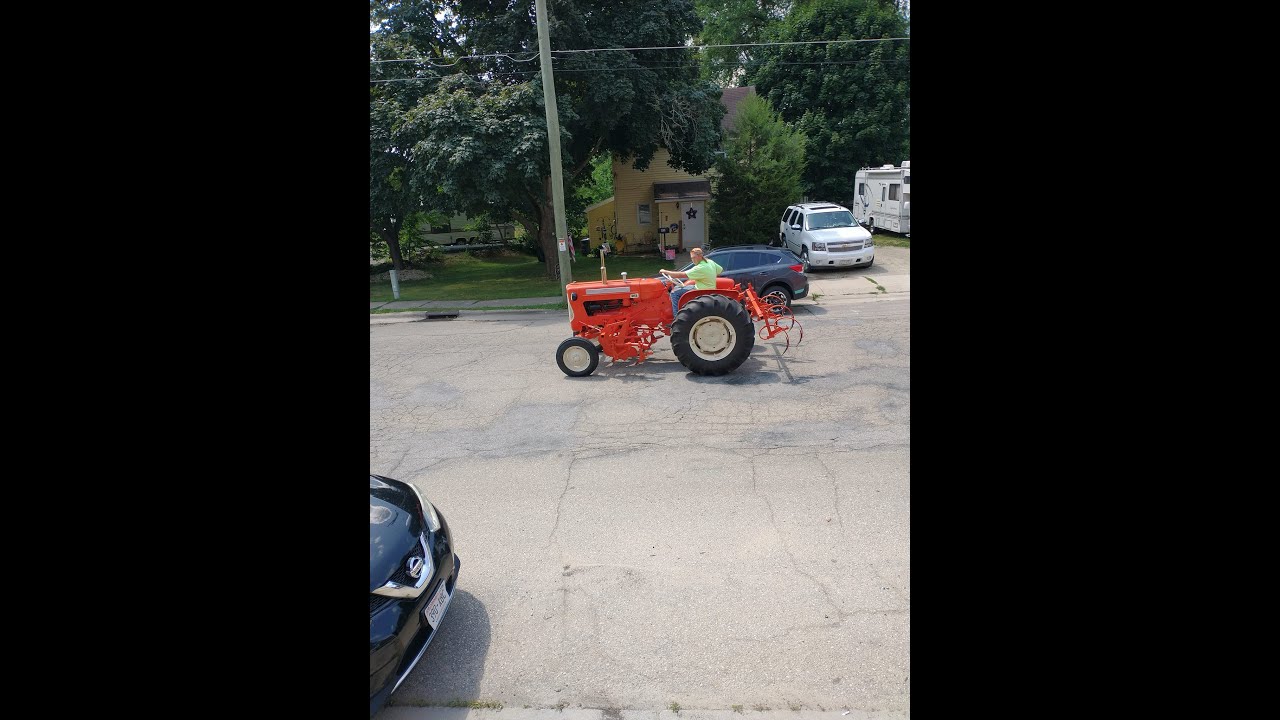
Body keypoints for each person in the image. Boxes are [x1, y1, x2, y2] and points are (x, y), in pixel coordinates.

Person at [659, 247, 723, 318]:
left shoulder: (700, 267)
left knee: (674, 293)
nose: (692, 260)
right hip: (709, 288)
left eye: (693, 258)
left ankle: (676, 318)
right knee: (678, 287)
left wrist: (665, 271)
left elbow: (681, 275)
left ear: (699, 256)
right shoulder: (710, 262)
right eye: (691, 258)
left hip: (701, 290)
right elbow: (720, 270)